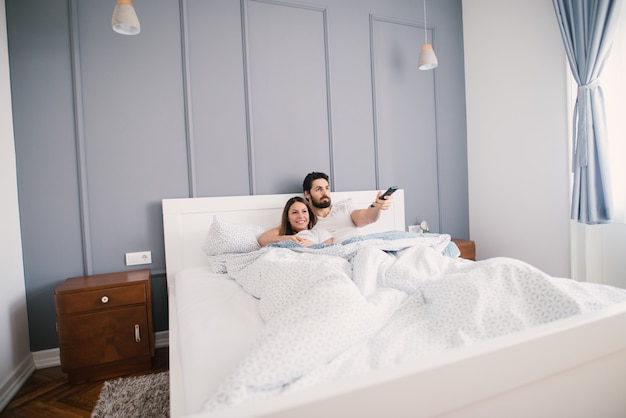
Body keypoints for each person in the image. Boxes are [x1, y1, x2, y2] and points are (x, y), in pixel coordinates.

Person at [257, 172, 393, 246]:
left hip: (360, 246)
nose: (325, 193)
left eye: (327, 188)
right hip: (336, 256)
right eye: (318, 189)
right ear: (307, 194)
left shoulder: (345, 209)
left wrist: (377, 206)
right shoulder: (303, 220)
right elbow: (265, 238)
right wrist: (286, 239)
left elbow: (368, 217)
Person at [259, 196, 333, 247]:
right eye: (295, 212)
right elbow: (262, 240)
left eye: (304, 211)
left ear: (309, 214)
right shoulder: (282, 233)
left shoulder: (320, 233)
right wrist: (287, 239)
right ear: (287, 217)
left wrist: (314, 246)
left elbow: (328, 251)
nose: (300, 216)